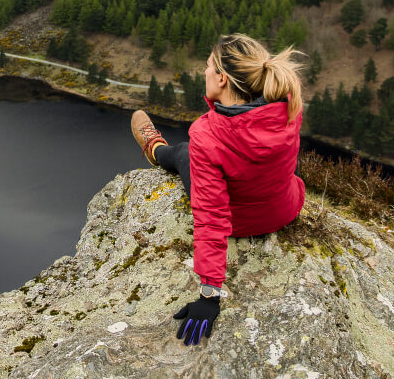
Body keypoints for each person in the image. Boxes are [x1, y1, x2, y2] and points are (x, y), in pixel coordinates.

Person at [130, 33, 306, 347]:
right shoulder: (288, 109)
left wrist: (209, 295)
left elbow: (211, 218)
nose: (204, 72)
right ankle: (160, 150)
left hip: (238, 223)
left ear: (222, 79)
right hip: (286, 209)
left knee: (184, 153)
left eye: (209, 67)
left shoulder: (208, 136)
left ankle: (155, 149)